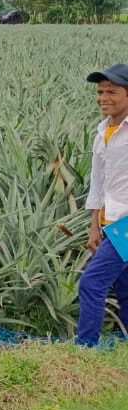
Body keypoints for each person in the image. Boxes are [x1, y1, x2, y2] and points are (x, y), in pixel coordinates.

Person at [77, 64, 128, 345]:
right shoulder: (102, 131)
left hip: (127, 225)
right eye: (100, 91)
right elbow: (98, 182)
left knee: (92, 283)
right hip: (111, 222)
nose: (103, 97)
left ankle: (84, 351)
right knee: (125, 288)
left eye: (112, 91)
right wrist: (94, 224)